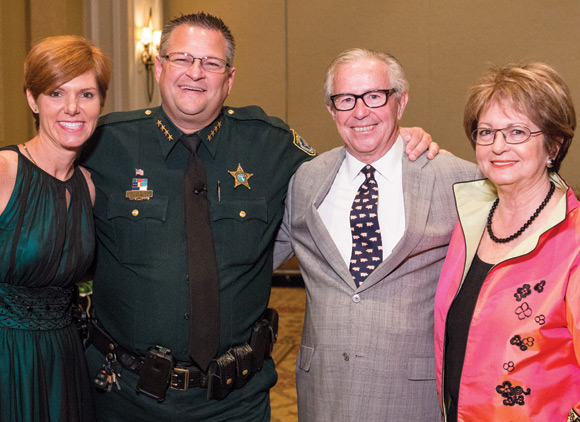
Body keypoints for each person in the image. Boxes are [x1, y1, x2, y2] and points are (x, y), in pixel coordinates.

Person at [80, 13, 435, 422]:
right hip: (123, 397)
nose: (196, 73)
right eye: (182, 59)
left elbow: (345, 172)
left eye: (211, 63)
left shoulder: (272, 144)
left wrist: (397, 140)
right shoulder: (102, 143)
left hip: (236, 401)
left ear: (229, 79)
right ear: (159, 67)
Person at [274, 48, 480, 422]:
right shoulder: (305, 181)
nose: (360, 111)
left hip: (413, 395)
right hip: (324, 393)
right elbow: (250, 260)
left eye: (374, 96)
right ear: (331, 109)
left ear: (400, 103)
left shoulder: (457, 180)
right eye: (345, 99)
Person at [434, 62, 580, 421]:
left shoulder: (574, 241)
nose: (498, 146)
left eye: (516, 132)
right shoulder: (470, 223)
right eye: (486, 132)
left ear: (554, 145)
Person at [0, 35, 110, 422]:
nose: (72, 108)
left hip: (65, 362)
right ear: (32, 99)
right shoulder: (4, 172)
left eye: (86, 95)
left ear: (101, 103)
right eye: (56, 93)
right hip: (6, 359)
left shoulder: (89, 187)